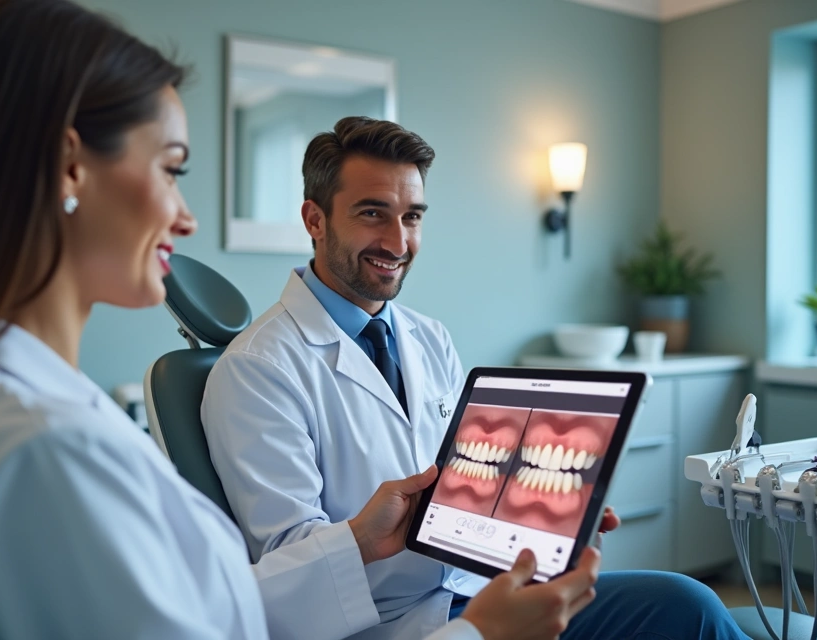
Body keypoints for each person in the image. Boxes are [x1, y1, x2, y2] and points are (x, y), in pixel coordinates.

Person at [0, 1, 606, 639]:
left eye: (414, 217)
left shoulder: (5, 412)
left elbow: (214, 609)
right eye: (171, 169)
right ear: (68, 167)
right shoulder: (42, 452)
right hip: (414, 623)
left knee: (683, 605)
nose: (187, 217)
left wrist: (379, 535)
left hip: (449, 588)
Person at [201, 116, 748, 639]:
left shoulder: (429, 337)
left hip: (484, 586)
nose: (398, 242)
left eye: (413, 216)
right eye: (372, 213)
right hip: (388, 623)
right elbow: (282, 562)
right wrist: (364, 537)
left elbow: (470, 481)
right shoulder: (257, 368)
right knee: (685, 610)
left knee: (683, 601)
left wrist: (542, 508)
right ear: (315, 220)